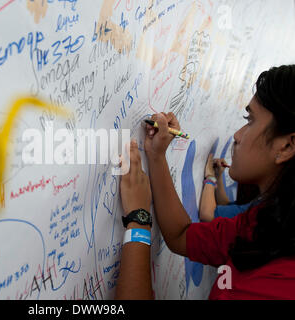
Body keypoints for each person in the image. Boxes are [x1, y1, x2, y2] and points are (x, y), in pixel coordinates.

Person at [115, 65, 295, 299]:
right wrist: (157, 157)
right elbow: (181, 236)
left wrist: (139, 219)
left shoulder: (278, 286)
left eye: (250, 120)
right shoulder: (269, 223)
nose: (237, 136)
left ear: (287, 146)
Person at [199, 153, 260, 222]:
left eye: (237, 144)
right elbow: (225, 205)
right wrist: (218, 176)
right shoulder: (261, 198)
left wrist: (210, 178)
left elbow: (208, 214)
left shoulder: (261, 207)